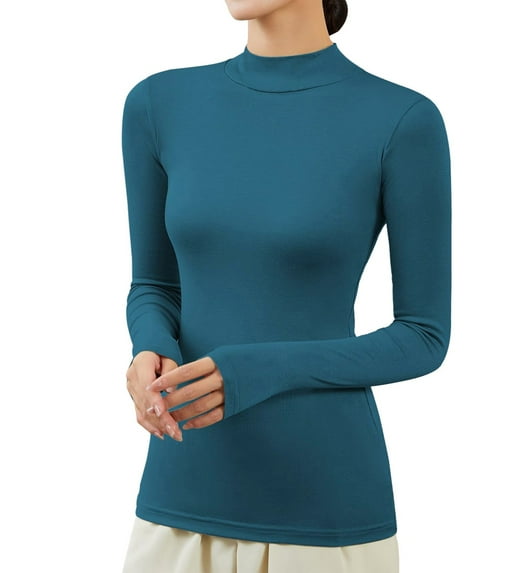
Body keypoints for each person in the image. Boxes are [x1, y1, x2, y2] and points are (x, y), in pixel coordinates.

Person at [121, 0, 451, 571]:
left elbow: (423, 336)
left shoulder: (400, 118)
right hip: (178, 498)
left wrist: (254, 370)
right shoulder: (159, 104)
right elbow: (155, 284)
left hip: (323, 510)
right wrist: (149, 347)